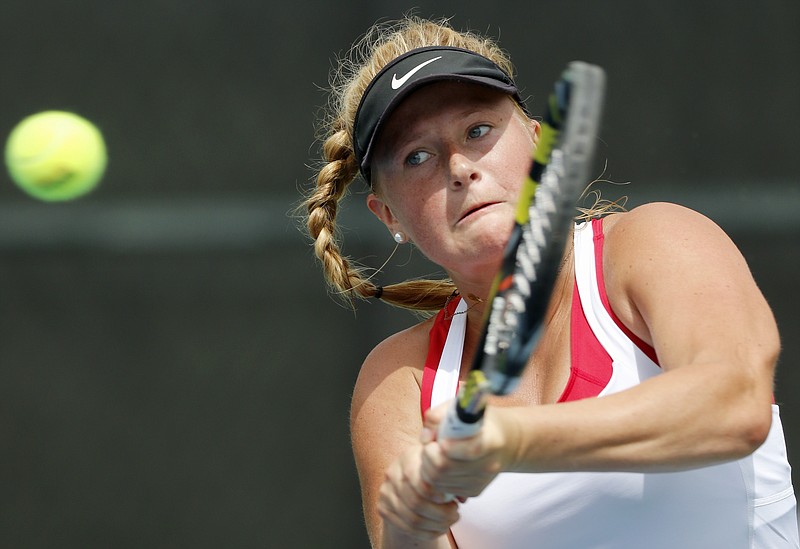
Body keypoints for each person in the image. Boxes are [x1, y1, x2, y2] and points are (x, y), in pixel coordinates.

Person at [301, 15, 799, 549]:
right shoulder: (397, 381)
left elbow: (734, 405)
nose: (460, 167)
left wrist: (511, 439)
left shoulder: (656, 242)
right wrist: (406, 529)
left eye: (478, 131)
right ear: (389, 216)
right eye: (416, 156)